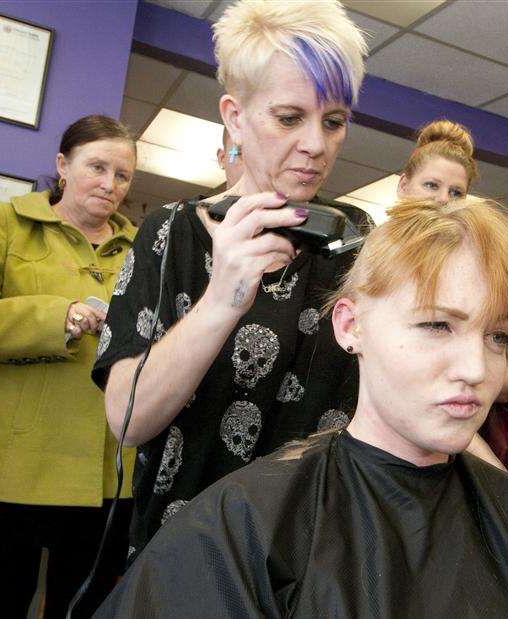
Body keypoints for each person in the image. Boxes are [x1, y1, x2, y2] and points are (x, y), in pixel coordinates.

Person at [95, 198, 508, 618]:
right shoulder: (247, 528)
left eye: (497, 337)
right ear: (350, 326)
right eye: (437, 325)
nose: (477, 370)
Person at [93, 0, 369, 560]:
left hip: (314, 555)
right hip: (183, 554)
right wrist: (222, 298)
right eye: (290, 118)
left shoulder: (359, 244)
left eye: (334, 121)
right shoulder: (168, 234)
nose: (317, 144)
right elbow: (127, 421)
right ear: (236, 116)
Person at [0, 115, 138, 618]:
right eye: (97, 167)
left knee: (81, 605)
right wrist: (56, 318)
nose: (110, 185)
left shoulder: (146, 247)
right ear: (63, 166)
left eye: (123, 175)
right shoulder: (2, 222)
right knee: (2, 601)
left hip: (108, 469)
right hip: (14, 459)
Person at [396, 118, 508, 478]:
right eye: (432, 185)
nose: (443, 199)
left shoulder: (480, 273)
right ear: (403, 186)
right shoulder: (372, 263)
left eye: (456, 192)